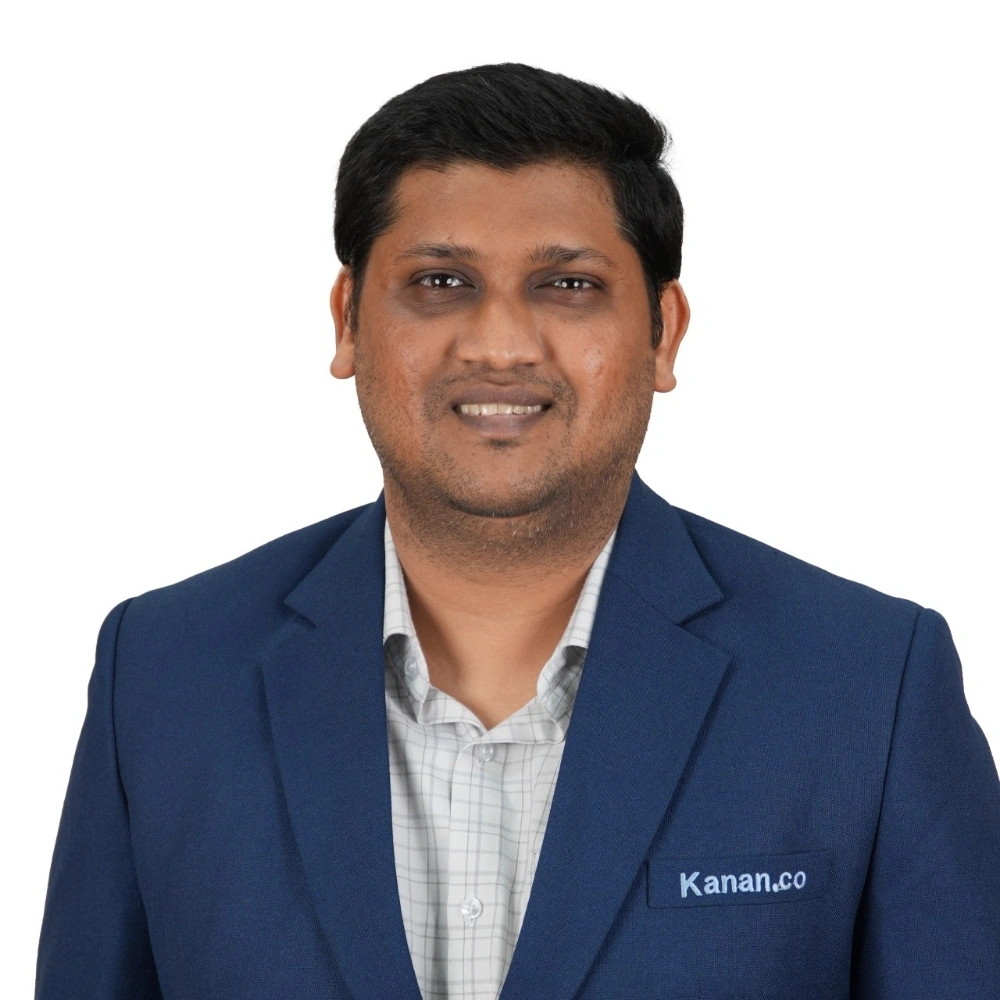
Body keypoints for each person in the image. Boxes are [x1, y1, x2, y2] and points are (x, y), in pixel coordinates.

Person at [36, 63, 1000, 1000]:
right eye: (441, 281)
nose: (499, 345)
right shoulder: (161, 675)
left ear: (664, 332)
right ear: (348, 321)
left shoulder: (869, 684)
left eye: (568, 286)